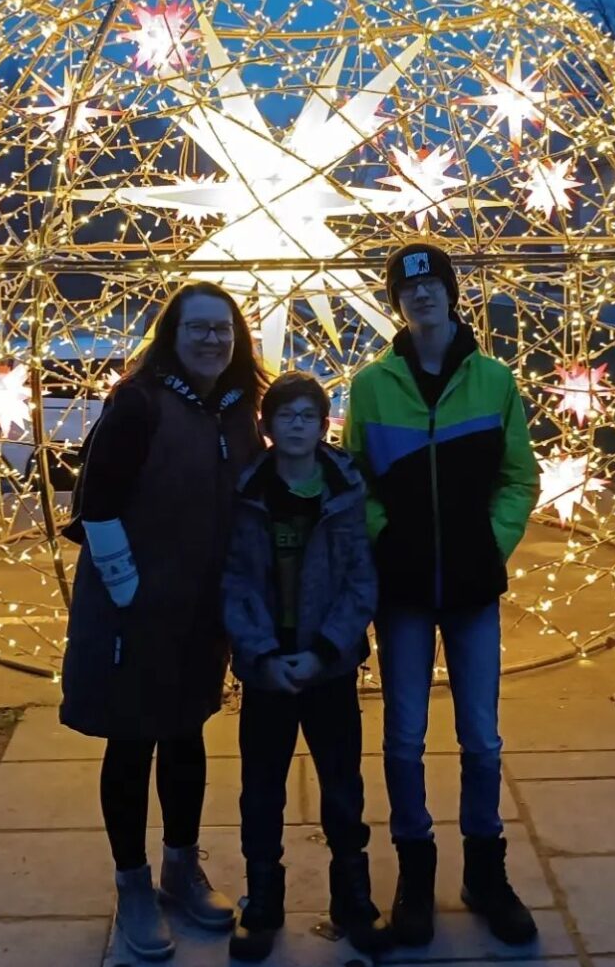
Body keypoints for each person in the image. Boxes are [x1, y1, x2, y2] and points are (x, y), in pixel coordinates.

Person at [59, 281, 266, 962]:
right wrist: (129, 591)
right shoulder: (138, 404)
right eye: (199, 328)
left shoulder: (240, 411)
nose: (212, 339)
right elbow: (96, 505)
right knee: (131, 742)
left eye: (223, 329)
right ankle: (134, 886)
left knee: (185, 733)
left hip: (199, 611)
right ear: (172, 336)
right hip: (132, 610)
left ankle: (181, 866)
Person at [343, 243, 540, 947]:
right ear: (396, 301)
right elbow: (356, 478)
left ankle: (485, 871)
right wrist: (384, 536)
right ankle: (415, 872)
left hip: (470, 587)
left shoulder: (494, 382)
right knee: (402, 739)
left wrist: (493, 542)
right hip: (402, 591)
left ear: (452, 294)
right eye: (407, 287)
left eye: (432, 285)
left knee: (482, 739)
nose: (421, 296)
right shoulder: (372, 387)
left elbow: (519, 478)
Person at [223, 371, 392, 962]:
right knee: (261, 788)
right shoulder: (248, 493)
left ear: (325, 426)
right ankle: (263, 899)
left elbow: (359, 580)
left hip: (329, 668)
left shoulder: (344, 488)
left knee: (343, 785)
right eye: (286, 416)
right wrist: (264, 654)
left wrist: (325, 649)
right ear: (267, 427)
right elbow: (236, 581)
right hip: (268, 672)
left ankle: (354, 899)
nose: (297, 427)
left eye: (308, 417)